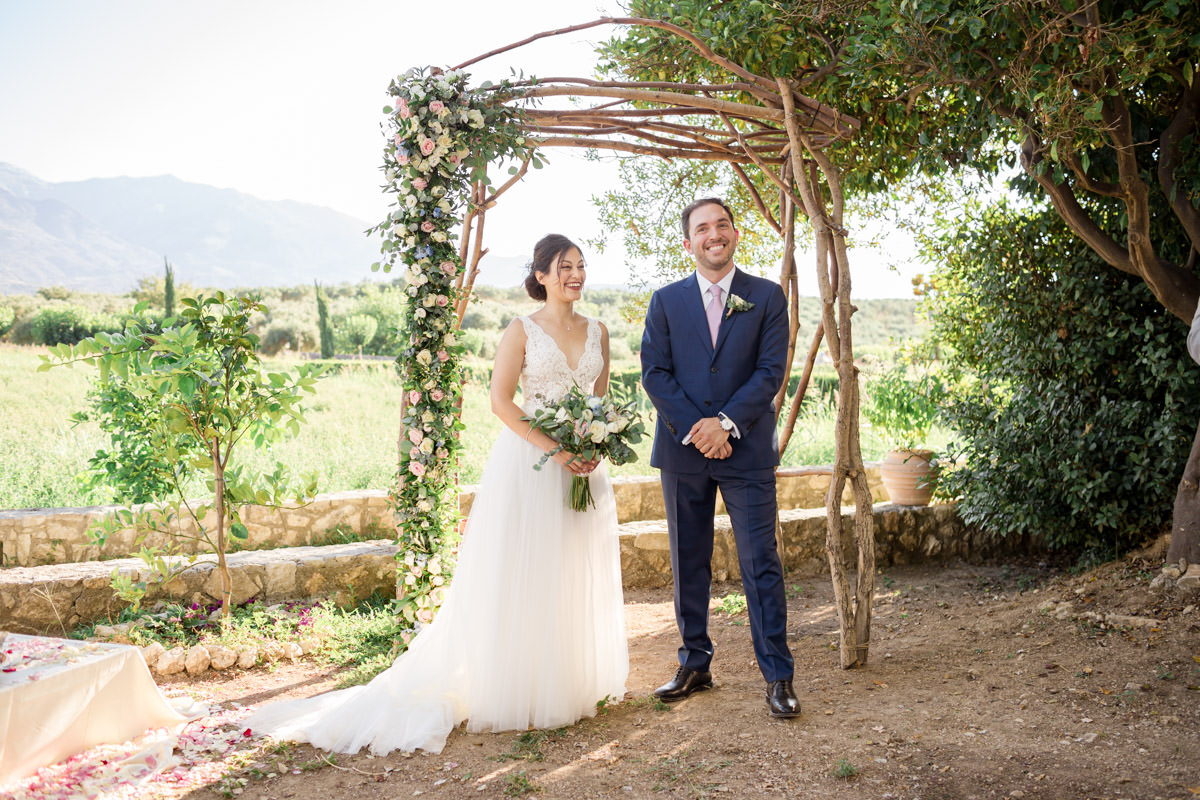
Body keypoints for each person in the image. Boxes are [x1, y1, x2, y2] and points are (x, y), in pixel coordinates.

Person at [245, 234, 629, 754]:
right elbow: (500, 401)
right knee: (527, 570)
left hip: (584, 470)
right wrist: (556, 451)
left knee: (571, 567)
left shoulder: (598, 331)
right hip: (532, 467)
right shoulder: (521, 331)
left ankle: (571, 680)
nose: (575, 275)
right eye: (564, 266)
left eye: (581, 266)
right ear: (540, 275)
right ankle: (524, 686)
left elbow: (599, 404)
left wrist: (594, 447)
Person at [640, 197, 800, 718]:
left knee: (761, 564)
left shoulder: (767, 297)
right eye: (703, 228)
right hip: (685, 451)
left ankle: (778, 676)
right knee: (689, 563)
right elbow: (655, 374)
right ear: (688, 243)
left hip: (746, 449)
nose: (715, 234)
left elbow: (770, 371)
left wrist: (726, 424)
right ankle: (694, 663)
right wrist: (699, 428)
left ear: (734, 234)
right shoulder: (665, 301)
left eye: (722, 224)